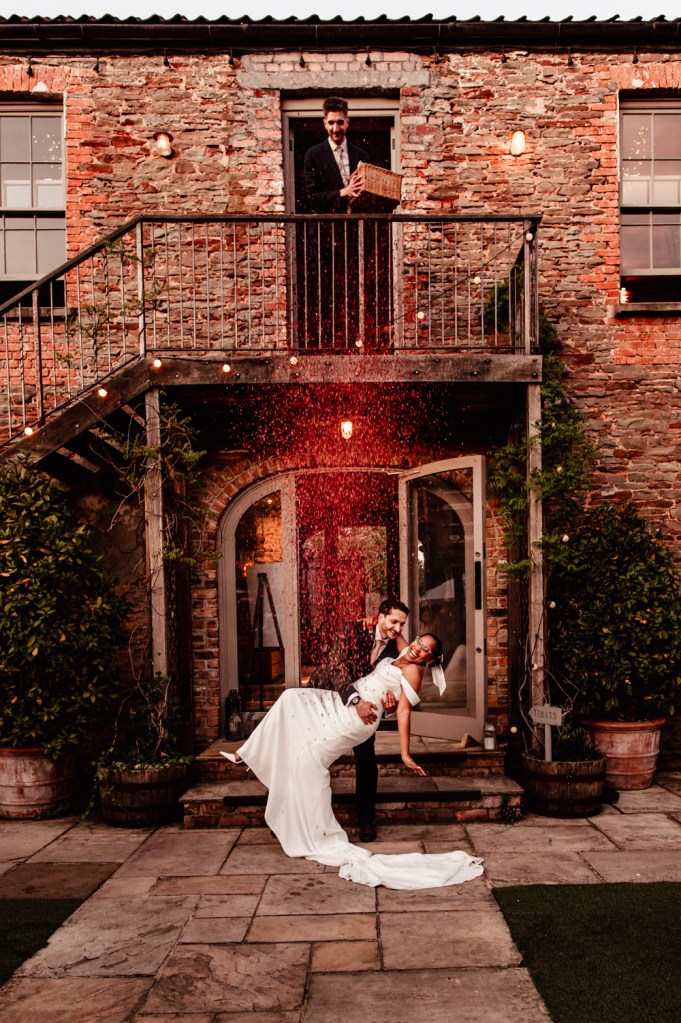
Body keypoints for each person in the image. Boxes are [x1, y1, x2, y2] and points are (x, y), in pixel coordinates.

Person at [222, 634, 484, 890]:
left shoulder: (415, 671)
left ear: (430, 659)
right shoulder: (405, 650)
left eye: (425, 650)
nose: (417, 649)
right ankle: (247, 755)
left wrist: (404, 753)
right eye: (418, 642)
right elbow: (399, 633)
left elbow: (403, 711)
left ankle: (318, 833)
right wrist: (388, 626)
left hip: (359, 718)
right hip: (344, 702)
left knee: (310, 760)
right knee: (291, 700)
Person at [307, 597, 409, 843]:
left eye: (402, 624)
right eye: (394, 621)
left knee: (366, 758)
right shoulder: (353, 629)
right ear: (380, 616)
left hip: (364, 709)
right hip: (327, 696)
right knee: (310, 753)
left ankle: (367, 819)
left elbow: (391, 687)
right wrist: (355, 702)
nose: (397, 628)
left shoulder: (397, 649)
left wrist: (389, 708)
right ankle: (296, 813)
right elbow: (335, 668)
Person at [302, 96, 368, 348]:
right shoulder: (313, 154)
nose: (335, 128)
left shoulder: (361, 154)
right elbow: (310, 198)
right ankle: (326, 342)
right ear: (324, 123)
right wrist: (343, 192)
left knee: (355, 290)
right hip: (325, 237)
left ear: (347, 122)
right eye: (331, 123)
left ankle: (356, 341)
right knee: (326, 292)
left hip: (355, 235)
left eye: (340, 122)